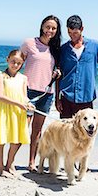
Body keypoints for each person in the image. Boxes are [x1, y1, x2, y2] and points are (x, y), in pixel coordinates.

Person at [21, 15, 62, 173]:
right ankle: (10, 162)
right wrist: (5, 78)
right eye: (47, 27)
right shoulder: (29, 43)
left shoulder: (56, 49)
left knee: (37, 131)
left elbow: (57, 69)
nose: (50, 31)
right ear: (42, 26)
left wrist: (58, 72)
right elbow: (17, 63)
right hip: (28, 92)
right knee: (23, 128)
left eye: (53, 28)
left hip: (46, 93)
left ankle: (31, 162)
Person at [0, 49, 34, 178]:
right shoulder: (1, 76)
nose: (15, 65)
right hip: (5, 112)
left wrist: (28, 104)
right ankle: (1, 169)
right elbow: (0, 96)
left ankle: (10, 164)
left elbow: (25, 96)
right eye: (13, 62)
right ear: (7, 60)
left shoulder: (23, 78)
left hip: (18, 112)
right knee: (2, 140)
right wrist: (19, 104)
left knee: (16, 140)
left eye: (19, 63)